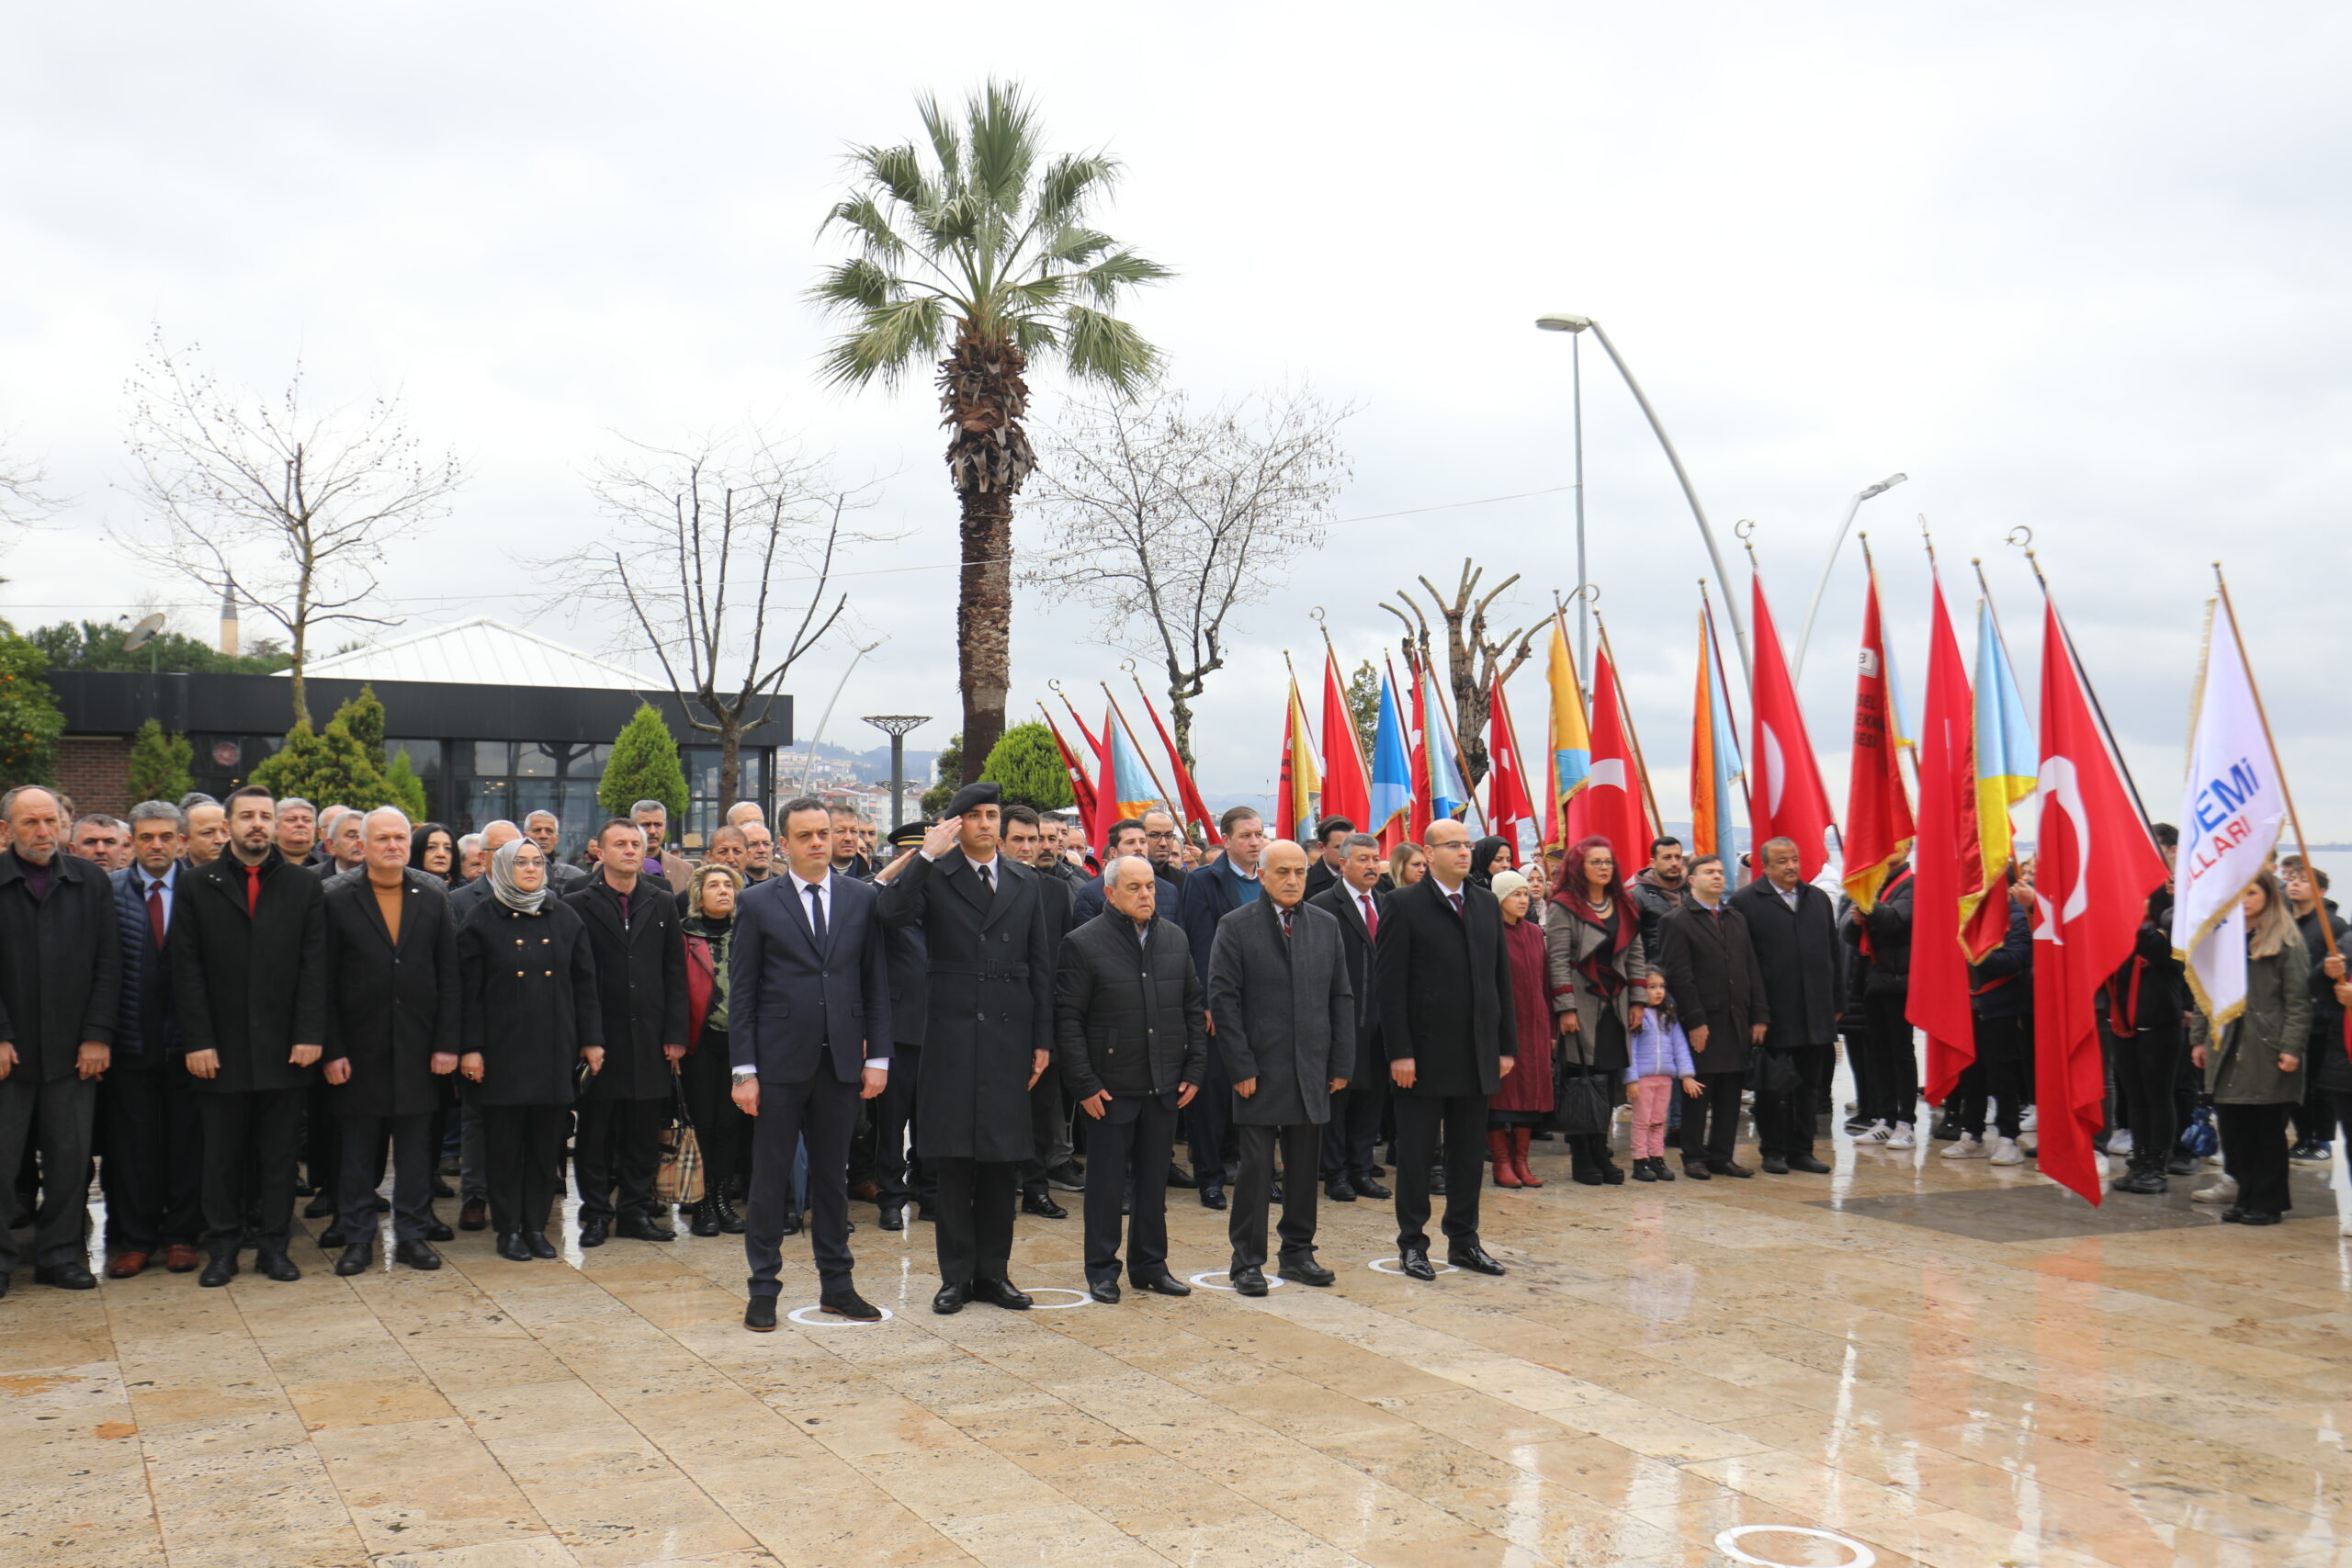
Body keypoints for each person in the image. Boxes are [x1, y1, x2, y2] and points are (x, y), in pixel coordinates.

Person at [876, 784, 1055, 1314]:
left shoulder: (1026, 880)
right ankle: (955, 1277)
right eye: (972, 815)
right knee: (953, 1162)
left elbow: (1041, 964)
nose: (984, 823)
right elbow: (889, 913)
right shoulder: (936, 873)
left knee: (1002, 1162)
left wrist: (1042, 1038)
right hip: (951, 1033)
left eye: (991, 815)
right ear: (955, 825)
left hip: (1009, 1034)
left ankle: (994, 1275)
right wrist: (927, 854)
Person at [731, 795, 892, 1328]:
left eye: (823, 832)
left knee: (832, 1177)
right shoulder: (757, 903)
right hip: (778, 1063)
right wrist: (744, 1071)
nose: (819, 842)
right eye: (806, 835)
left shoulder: (859, 898)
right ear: (784, 844)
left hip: (842, 1062)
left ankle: (837, 1286)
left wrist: (880, 1057)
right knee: (770, 1179)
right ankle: (763, 1289)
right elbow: (745, 994)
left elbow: (874, 983)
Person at [172, 785, 329, 1286]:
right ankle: (221, 1250)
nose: (256, 824)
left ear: (277, 825)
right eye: (246, 817)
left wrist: (309, 1033)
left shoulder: (303, 885)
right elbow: (186, 968)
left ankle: (274, 1248)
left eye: (265, 816)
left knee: (279, 1158)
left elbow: (313, 966)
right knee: (221, 1157)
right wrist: (198, 1040)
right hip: (219, 1049)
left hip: (286, 1048)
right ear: (229, 826)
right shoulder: (198, 884)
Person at [1055, 855, 1205, 1303]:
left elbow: (1193, 1009)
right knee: (1104, 1187)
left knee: (1153, 1183)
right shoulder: (1082, 943)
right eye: (1135, 888)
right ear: (1110, 893)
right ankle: (1102, 1270)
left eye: (1151, 887)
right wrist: (1083, 1083)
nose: (1146, 895)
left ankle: (1150, 1265)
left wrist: (1194, 1068)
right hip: (1109, 1087)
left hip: (1164, 1085)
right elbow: (1068, 1020)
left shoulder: (1175, 939)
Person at [320, 807, 462, 1274]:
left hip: (420, 1048)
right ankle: (359, 1238)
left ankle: (413, 1235)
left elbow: (448, 974)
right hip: (358, 1051)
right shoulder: (336, 897)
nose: (393, 846)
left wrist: (447, 1044)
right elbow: (323, 981)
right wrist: (333, 1048)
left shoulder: (433, 895)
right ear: (362, 844)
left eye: (400, 837)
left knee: (417, 1151)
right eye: (382, 838)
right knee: (358, 1150)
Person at [1208, 840, 1352, 1295]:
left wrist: (1341, 1060)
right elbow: (1223, 1001)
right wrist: (1240, 1066)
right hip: (1259, 1070)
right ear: (1263, 875)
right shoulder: (1236, 926)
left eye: (1299, 873)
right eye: (1282, 873)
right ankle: (1246, 1262)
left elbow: (1341, 997)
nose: (1293, 881)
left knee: (1304, 1166)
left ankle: (1298, 1253)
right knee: (1255, 1170)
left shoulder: (1325, 926)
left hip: (1312, 1067)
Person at [1378, 818, 1516, 1279]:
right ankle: (1413, 1244)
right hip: (1422, 1056)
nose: (1463, 851)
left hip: (1475, 1052)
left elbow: (1501, 981)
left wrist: (1505, 1044)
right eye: (1452, 845)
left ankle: (1464, 1240)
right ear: (1429, 853)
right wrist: (1400, 1051)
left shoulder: (1483, 903)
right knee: (1417, 1155)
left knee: (1465, 1153)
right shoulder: (1403, 904)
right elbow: (1390, 986)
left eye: (1467, 844)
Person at [0, 785, 122, 1294]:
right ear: (6, 830)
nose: (44, 831)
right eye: (30, 823)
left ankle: (61, 1256)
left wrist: (97, 1035)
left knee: (71, 1163)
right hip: (9, 1053)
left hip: (75, 1054)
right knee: (2, 1163)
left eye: (51, 821)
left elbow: (108, 963)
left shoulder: (91, 882)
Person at [458, 838, 601, 1261]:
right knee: (504, 1147)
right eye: (519, 862)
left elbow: (585, 985)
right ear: (501, 867)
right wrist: (470, 1049)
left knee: (545, 1147)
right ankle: (507, 1229)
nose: (530, 869)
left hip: (553, 1050)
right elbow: (468, 994)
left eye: (536, 862)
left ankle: (536, 1227)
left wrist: (592, 1040)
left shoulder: (564, 916)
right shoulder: (480, 920)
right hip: (502, 1053)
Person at [567, 818, 690, 1247]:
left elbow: (675, 972)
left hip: (651, 1037)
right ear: (600, 852)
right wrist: (587, 1037)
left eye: (635, 844)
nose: (630, 850)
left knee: (642, 1133)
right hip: (601, 1037)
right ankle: (596, 1213)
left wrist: (676, 1033)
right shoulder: (577, 901)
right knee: (596, 1133)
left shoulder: (661, 902)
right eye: (619, 844)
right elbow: (576, 976)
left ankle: (635, 1211)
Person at [102, 801, 204, 1278]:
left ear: (181, 840)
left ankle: (182, 1236)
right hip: (131, 1039)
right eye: (146, 837)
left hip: (189, 1041)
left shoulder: (202, 891)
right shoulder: (108, 891)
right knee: (134, 1145)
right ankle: (137, 1240)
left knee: (187, 1141)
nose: (157, 845)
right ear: (132, 842)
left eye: (166, 836)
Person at [2189, 871, 2308, 1225]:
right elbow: (2203, 993)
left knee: (2265, 1129)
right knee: (2235, 1128)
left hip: (2266, 1045)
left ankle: (2268, 1202)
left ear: (2269, 896)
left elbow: (2297, 1001)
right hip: (2225, 1044)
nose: (2244, 899)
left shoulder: (2286, 941)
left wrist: (2291, 1047)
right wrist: (2198, 1037)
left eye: (2252, 892)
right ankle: (2245, 1195)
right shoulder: (2220, 938)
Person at [1733, 837, 1845, 1172]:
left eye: (1794, 859)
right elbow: (1744, 963)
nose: (1791, 866)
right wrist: (1756, 1014)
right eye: (1782, 861)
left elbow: (1832, 953)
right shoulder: (1746, 902)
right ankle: (1773, 1150)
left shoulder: (1818, 900)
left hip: (1815, 1011)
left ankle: (1802, 1149)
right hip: (1773, 1013)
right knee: (1771, 1086)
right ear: (1764, 866)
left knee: (1809, 1086)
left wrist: (1837, 1001)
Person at [1655, 853, 1768, 1180]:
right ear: (1692, 880)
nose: (1717, 877)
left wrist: (1759, 1014)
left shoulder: (1734, 918)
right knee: (1698, 1090)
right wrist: (1695, 1021)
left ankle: (1722, 1155)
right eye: (1709, 872)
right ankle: (1693, 1155)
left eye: (1720, 872)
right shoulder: (1677, 921)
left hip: (1737, 1018)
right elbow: (1678, 976)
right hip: (1703, 1020)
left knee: (1731, 1090)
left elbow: (1750, 969)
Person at [1179, 807, 1270, 1210]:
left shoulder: (1270, 879)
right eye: (1246, 836)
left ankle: (1257, 1174)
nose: (1254, 842)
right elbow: (1199, 943)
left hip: (1263, 1007)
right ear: (1227, 839)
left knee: (1260, 1093)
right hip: (1221, 1004)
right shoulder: (1203, 882)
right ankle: (1210, 1177)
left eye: (1259, 835)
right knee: (1214, 1095)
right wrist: (1208, 1002)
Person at [1544, 835, 1645, 1187]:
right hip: (1581, 1002)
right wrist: (1565, 1008)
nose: (1604, 868)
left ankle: (1601, 1148)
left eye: (1608, 862)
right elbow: (1556, 959)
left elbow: (1635, 954)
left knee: (1607, 1077)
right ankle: (1583, 1156)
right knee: (1580, 1078)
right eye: (1596, 862)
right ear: (1579, 867)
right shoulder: (1563, 904)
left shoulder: (1623, 903)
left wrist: (1638, 1000)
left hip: (1615, 1002)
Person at [1002, 805, 1078, 1214]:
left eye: (1034, 839)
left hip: (1038, 1017)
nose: (1028, 848)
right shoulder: (984, 888)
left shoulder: (1052, 892)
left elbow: (1059, 962)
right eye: (1019, 840)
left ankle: (1036, 1188)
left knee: (1038, 1107)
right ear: (1001, 842)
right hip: (991, 1017)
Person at [2106, 830, 2190, 1195]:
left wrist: (2140, 927)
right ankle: (2140, 1159)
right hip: (2123, 1015)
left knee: (2158, 1095)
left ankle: (2158, 1163)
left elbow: (2172, 961)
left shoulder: (2175, 918)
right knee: (2135, 1096)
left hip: (2158, 1015)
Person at [1311, 832, 1390, 1203]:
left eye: (1375, 858)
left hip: (1379, 1023)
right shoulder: (1324, 905)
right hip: (1340, 1021)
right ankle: (1335, 1173)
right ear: (1343, 864)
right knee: (1338, 1101)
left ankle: (1361, 1169)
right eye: (1363, 859)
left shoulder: (1387, 905)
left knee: (1370, 1100)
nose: (1372, 865)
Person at [1941, 871, 2033, 1166]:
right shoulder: (1971, 915)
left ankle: (2008, 1138)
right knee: (1971, 1075)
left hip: (2002, 1008)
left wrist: (1976, 954)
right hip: (1969, 1007)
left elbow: (2014, 959)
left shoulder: (2016, 917)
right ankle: (1972, 1134)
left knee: (2002, 1076)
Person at [867, 823, 933, 1229]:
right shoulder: (883, 901)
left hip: (941, 1032)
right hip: (897, 1032)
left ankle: (930, 1191)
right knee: (890, 1123)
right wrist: (889, 877)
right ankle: (891, 1197)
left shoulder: (945, 900)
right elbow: (859, 900)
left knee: (932, 1120)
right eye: (907, 859)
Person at [679, 863, 749, 1237]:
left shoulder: (748, 933)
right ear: (698, 895)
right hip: (700, 1043)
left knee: (730, 1125)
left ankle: (722, 1198)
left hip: (740, 1044)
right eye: (714, 886)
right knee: (703, 1123)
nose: (723, 891)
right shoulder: (683, 936)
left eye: (729, 885)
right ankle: (702, 1202)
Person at [1484, 868, 1554, 1188]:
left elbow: (1544, 981)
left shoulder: (1534, 933)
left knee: (1530, 1093)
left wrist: (1550, 1026)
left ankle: (1522, 1161)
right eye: (1516, 893)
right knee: (1500, 1097)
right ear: (1500, 898)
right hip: (1504, 1023)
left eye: (1526, 893)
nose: (1523, 899)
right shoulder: (1489, 932)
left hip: (1535, 1023)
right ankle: (1501, 1162)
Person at [1848, 854, 1918, 1147]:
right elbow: (1851, 934)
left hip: (1900, 980)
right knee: (1879, 1052)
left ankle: (1906, 1122)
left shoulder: (1912, 884)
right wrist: (1856, 919)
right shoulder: (1874, 884)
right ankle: (1885, 1118)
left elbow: (1896, 920)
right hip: (1874, 978)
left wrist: (1869, 907)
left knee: (1901, 1051)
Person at [2284, 865, 2346, 1167]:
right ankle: (2302, 1135)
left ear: (2321, 892)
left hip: (2322, 1017)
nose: (2295, 885)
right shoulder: (2281, 923)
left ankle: (2322, 1139)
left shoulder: (2333, 926)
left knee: (2321, 1083)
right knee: (2295, 1081)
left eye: (2304, 881)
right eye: (2292, 879)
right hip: (2288, 1013)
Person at [1623, 974, 1701, 1181]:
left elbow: (1680, 1047)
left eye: (1661, 987)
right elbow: (1631, 1050)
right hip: (1643, 1079)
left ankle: (1657, 1157)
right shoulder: (1637, 1018)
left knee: (1659, 1120)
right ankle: (1640, 1160)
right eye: (1652, 987)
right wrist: (1631, 1079)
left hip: (1664, 1078)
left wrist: (1686, 1075)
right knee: (1642, 1121)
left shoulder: (1668, 1017)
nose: (1658, 991)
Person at [1071, 818, 1148, 923]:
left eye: (1143, 842)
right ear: (1113, 852)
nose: (1139, 847)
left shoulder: (1168, 890)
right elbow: (1084, 936)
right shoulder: (1091, 893)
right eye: (1130, 842)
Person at [450, 821, 525, 919]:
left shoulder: (543, 897)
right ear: (482, 857)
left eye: (515, 848)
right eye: (500, 849)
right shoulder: (457, 901)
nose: (509, 855)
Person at [1628, 837, 1689, 956]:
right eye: (1667, 858)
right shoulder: (1636, 896)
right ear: (1653, 863)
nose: (1674, 863)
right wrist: (1649, 971)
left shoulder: (1691, 893)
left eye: (1678, 857)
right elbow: (1631, 944)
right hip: (1656, 970)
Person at [631, 799, 695, 894]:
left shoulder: (685, 870)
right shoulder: (609, 867)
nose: (652, 831)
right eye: (645, 825)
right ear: (632, 826)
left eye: (658, 825)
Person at [523, 810, 591, 895]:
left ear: (557, 839)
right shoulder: (513, 875)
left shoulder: (574, 876)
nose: (543, 836)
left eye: (549, 831)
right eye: (537, 830)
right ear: (525, 837)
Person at [1141, 808, 1190, 899]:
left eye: (1168, 836)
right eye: (1154, 835)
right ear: (1141, 837)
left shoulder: (1185, 881)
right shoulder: (1122, 879)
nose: (1163, 843)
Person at [1306, 818, 1354, 900]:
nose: (1349, 853)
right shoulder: (1305, 885)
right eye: (1340, 847)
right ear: (1322, 848)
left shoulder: (1371, 880)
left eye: (1353, 846)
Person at [318, 807, 367, 879]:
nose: (359, 842)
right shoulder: (311, 878)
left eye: (364, 836)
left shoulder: (384, 875)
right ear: (331, 845)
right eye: (351, 836)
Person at [828, 804, 874, 881]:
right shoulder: (810, 878)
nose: (848, 838)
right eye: (841, 831)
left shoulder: (872, 884)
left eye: (853, 831)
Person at [411, 822, 460, 887]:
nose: (441, 854)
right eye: (431, 847)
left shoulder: (464, 893)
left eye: (447, 848)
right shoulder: (401, 891)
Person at [184, 797, 228, 867]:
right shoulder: (174, 876)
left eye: (225, 832)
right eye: (208, 833)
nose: (220, 840)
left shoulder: (245, 874)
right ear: (185, 841)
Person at [275, 797, 319, 865]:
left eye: (307, 820)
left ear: (315, 827)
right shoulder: (260, 862)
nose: (300, 824)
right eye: (291, 819)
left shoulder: (333, 864)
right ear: (276, 827)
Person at [739, 819, 775, 884]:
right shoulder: (730, 889)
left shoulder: (787, 887)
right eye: (753, 844)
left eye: (766, 844)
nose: (762, 850)